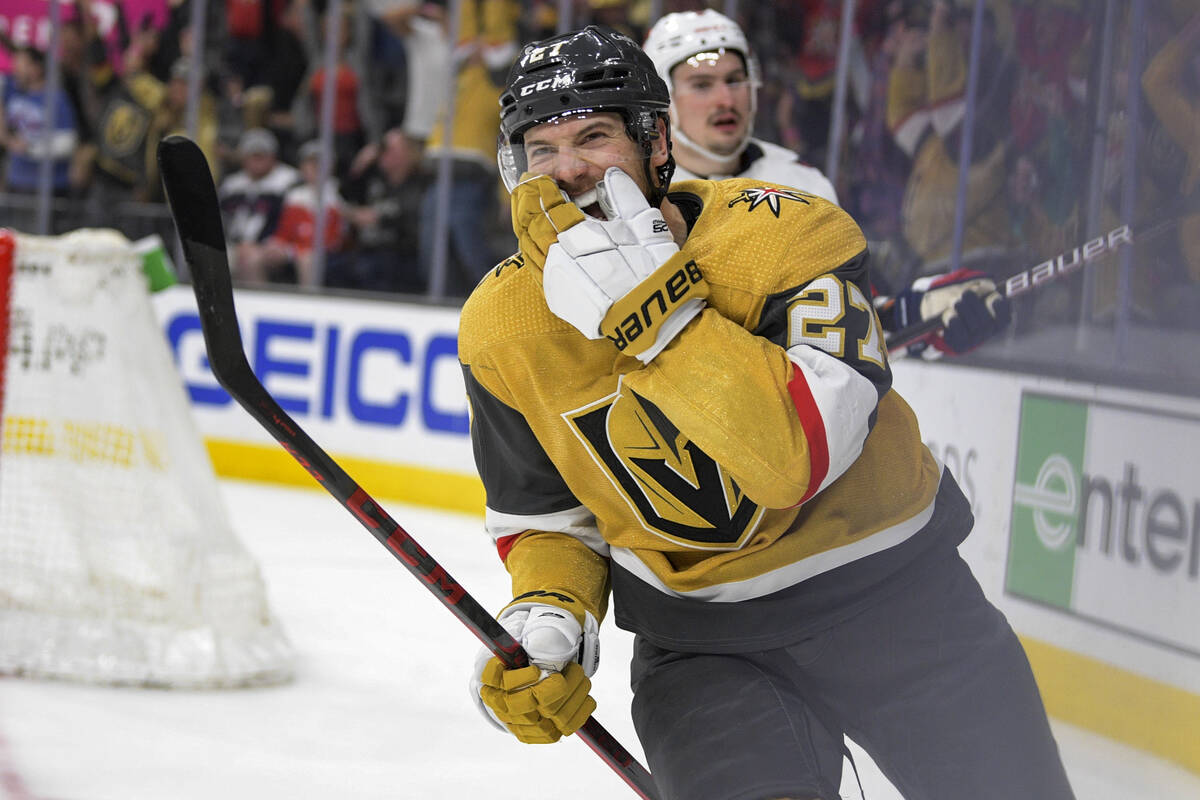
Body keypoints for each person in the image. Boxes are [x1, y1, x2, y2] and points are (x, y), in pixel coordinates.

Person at [459, 25, 1075, 800]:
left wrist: (654, 313)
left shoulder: (788, 234)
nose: (569, 169)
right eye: (540, 151)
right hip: (703, 651)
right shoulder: (500, 323)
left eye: (593, 136)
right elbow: (549, 514)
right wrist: (552, 612)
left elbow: (794, 459)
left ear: (656, 145)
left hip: (901, 607)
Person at [644, 9, 1009, 359]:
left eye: (735, 79)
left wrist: (928, 308)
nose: (725, 98)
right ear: (662, 100)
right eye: (702, 85)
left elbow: (853, 317)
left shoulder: (802, 183)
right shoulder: (639, 195)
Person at [218, 127, 300, 283]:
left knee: (251, 260)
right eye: (252, 156)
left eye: (262, 156)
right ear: (243, 158)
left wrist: (270, 243)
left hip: (275, 245)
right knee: (208, 261)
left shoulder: (289, 181)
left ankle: (255, 306)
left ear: (273, 156)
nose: (257, 161)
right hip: (234, 244)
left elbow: (292, 220)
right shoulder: (232, 184)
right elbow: (220, 219)